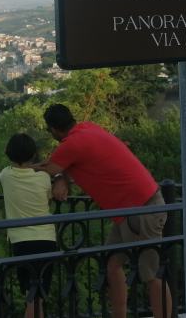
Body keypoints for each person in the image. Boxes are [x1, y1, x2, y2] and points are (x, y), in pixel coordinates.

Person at [36, 104, 172, 318]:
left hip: (140, 209)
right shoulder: (88, 128)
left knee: (151, 274)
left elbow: (48, 167)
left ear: (53, 129)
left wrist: (20, 171)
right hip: (135, 208)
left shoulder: (71, 144)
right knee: (112, 265)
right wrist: (62, 177)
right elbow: (64, 165)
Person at [0, 133, 58, 318]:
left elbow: (18, 168)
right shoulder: (43, 179)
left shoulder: (5, 175)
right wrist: (38, 167)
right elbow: (49, 199)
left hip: (21, 242)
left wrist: (30, 166)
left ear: (9, 153)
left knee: (31, 295)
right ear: (33, 154)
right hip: (45, 239)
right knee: (38, 297)